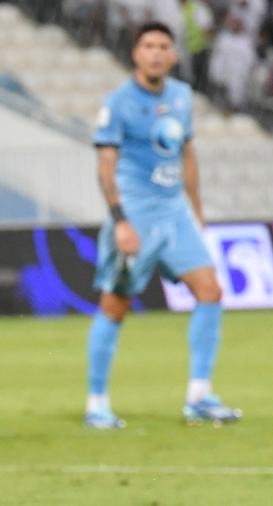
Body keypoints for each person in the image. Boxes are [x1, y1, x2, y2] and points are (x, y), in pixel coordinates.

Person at [86, 21, 240, 430]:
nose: (156, 53)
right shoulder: (118, 103)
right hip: (136, 215)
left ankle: (199, 396)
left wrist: (196, 211)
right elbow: (105, 167)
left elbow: (187, 155)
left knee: (210, 291)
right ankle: (96, 403)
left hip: (175, 213)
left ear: (172, 55)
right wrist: (120, 223)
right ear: (135, 54)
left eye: (163, 46)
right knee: (114, 306)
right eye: (148, 46)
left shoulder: (181, 96)